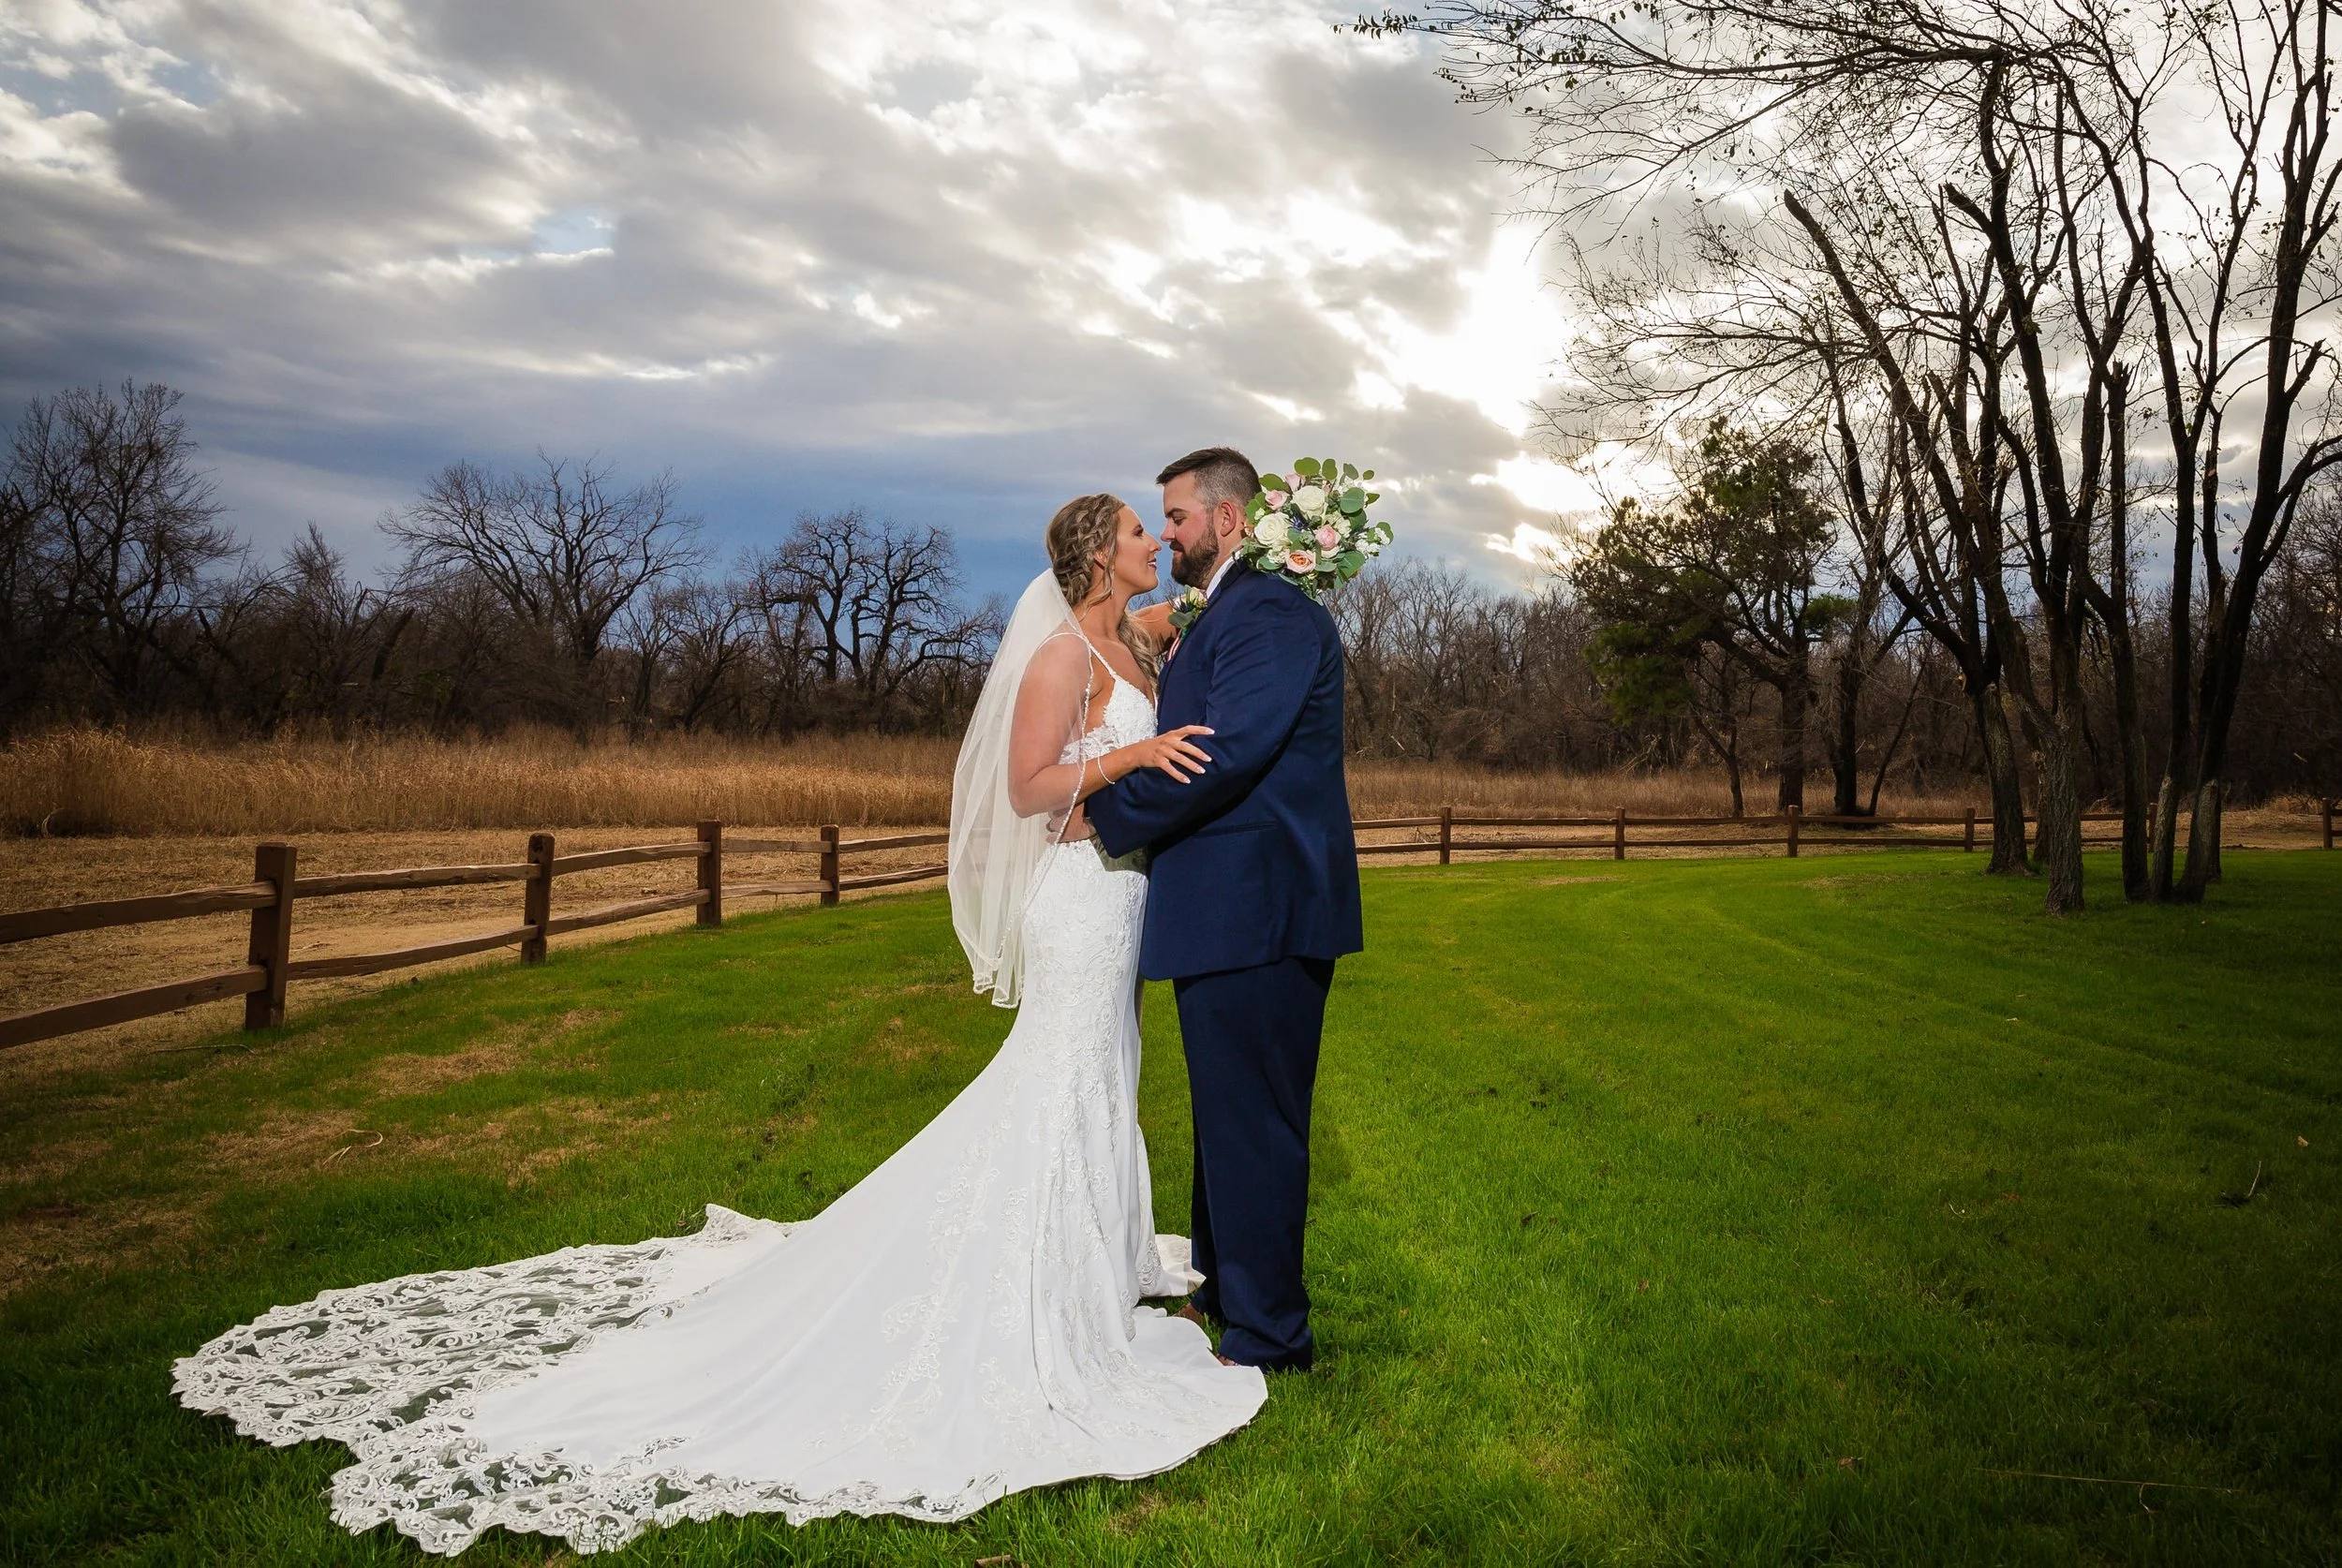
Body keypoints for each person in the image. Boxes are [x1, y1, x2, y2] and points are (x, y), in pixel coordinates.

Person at [171, 493, 1263, 1558]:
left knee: (1104, 1071)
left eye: (1157, 529)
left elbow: (1215, 604)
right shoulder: (1061, 659)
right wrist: (1123, 758)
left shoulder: (1139, 640)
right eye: (1134, 531)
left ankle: (1102, 1250)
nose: (1151, 544)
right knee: (1060, 1074)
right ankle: (1038, 1276)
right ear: (1092, 555)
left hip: (1127, 899)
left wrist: (1283, 560)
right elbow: (1030, 789)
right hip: (1076, 899)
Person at [1087, 446, 1364, 1372]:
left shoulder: (1273, 616)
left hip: (1261, 908)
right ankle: (1225, 1289)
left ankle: (1271, 1334)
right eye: (1159, 522)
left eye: (1175, 517)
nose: (1165, 536)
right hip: (1231, 910)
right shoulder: (1230, 614)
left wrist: (1105, 815)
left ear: (1228, 521)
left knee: (1255, 1124)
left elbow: (1221, 753)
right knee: (1226, 1115)